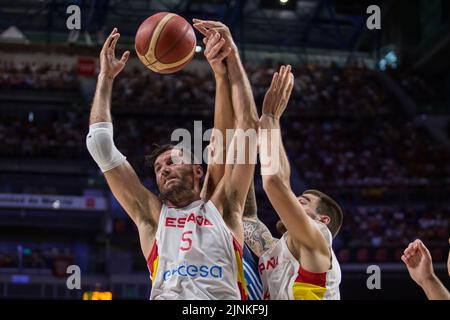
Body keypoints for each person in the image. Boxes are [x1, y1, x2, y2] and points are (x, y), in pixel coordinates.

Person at [86, 25, 258, 299]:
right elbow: (100, 146)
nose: (164, 168)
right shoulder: (152, 217)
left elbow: (247, 130)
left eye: (173, 161)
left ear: (197, 170)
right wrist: (105, 78)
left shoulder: (225, 207)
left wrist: (227, 63)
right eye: (158, 168)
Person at [245, 65, 343, 300]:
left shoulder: (318, 236)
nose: (293, 201)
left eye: (302, 201)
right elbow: (246, 216)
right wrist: (245, 155)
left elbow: (275, 183)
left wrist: (271, 118)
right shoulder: (272, 249)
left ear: (323, 219)